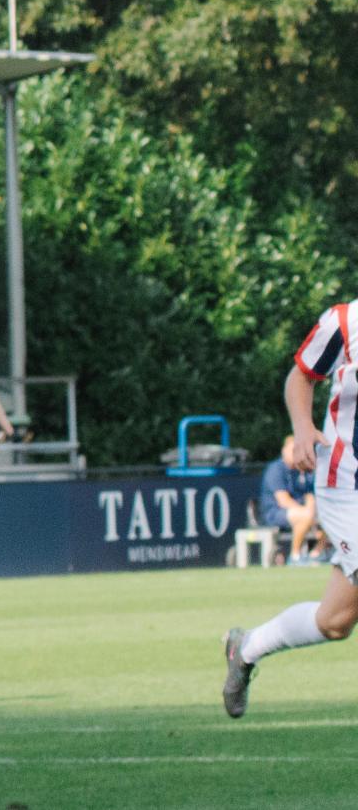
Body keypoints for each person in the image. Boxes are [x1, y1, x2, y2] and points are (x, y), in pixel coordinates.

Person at [226, 301, 358, 718]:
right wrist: (303, 428)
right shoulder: (345, 321)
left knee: (336, 620)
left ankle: (246, 648)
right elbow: (301, 377)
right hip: (346, 483)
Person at [260, 435, 319, 566]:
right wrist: (308, 514)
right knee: (305, 516)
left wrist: (313, 513)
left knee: (330, 517)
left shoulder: (302, 470)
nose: (296, 454)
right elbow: (283, 501)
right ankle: (295, 556)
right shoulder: (276, 469)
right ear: (284, 451)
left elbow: (310, 495)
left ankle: (317, 554)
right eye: (292, 450)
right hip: (275, 513)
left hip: (301, 512)